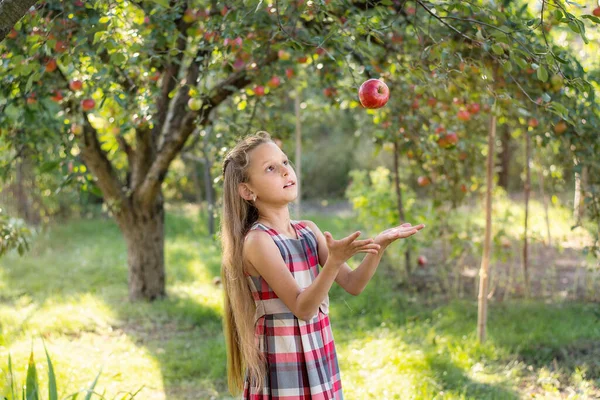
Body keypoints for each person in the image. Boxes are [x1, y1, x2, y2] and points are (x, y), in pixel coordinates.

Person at [219, 130, 425, 399]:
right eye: (270, 168)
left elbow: (353, 284)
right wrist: (334, 261)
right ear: (247, 190)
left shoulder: (308, 230)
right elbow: (303, 308)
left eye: (285, 162)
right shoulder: (258, 241)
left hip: (317, 349)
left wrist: (379, 247)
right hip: (284, 356)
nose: (284, 171)